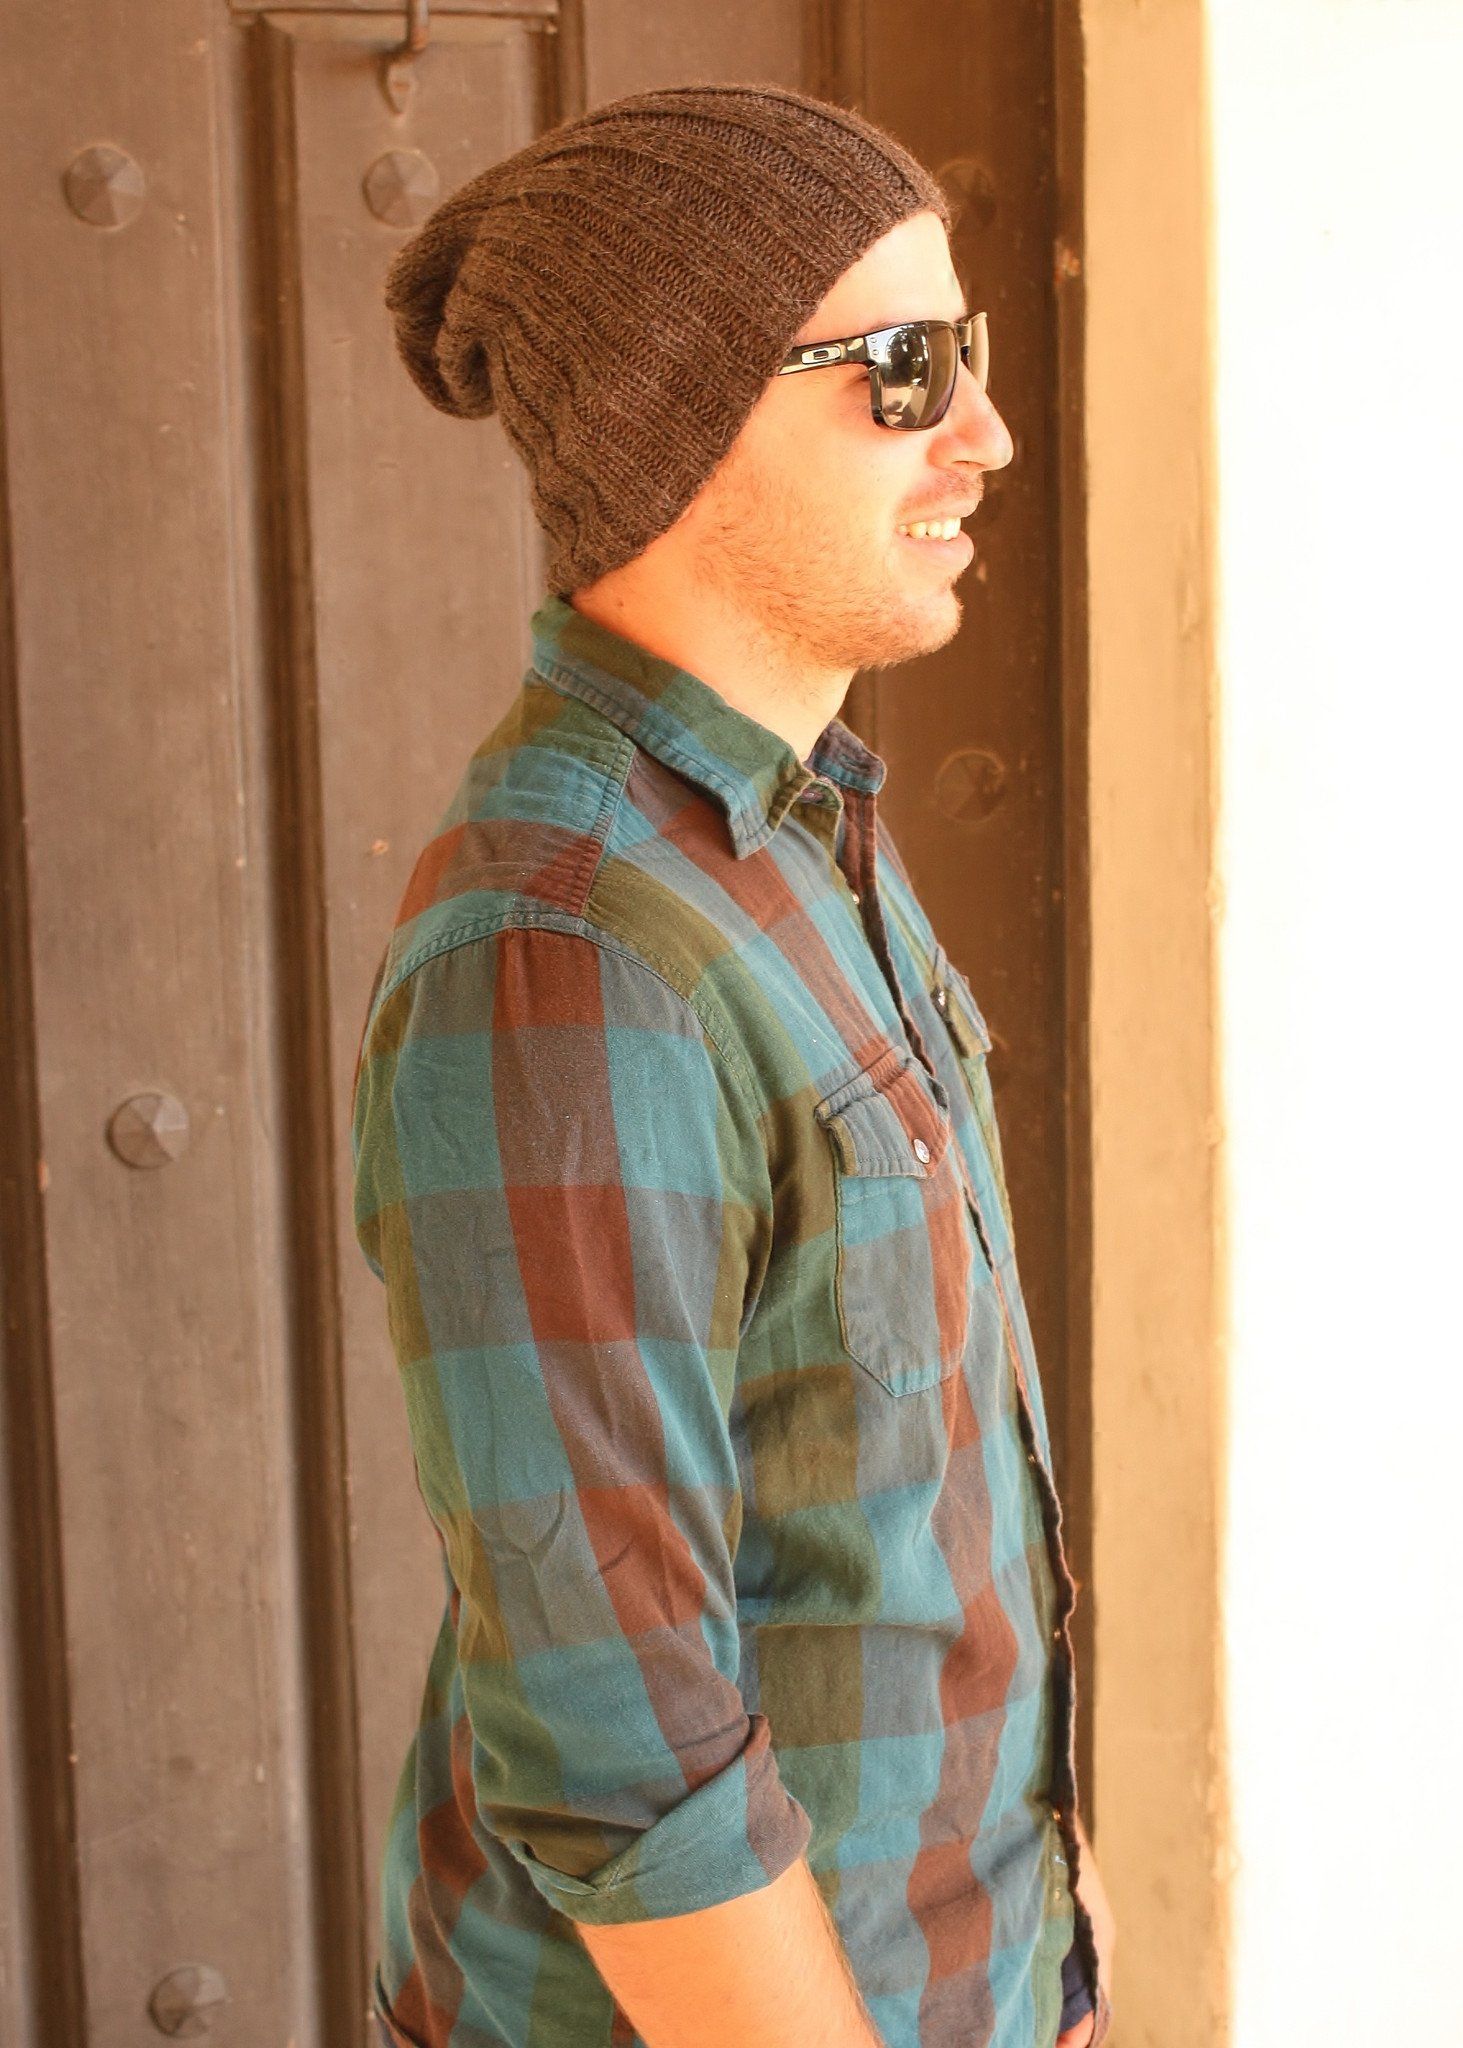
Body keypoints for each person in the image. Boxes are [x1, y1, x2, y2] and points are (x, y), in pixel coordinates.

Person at [351, 81, 1116, 2048]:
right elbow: (624, 1746)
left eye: (972, 350)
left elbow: (897, 1520)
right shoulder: (573, 947)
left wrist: (1052, 1926)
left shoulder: (797, 827)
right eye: (905, 369)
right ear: (673, 421)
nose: (984, 432)